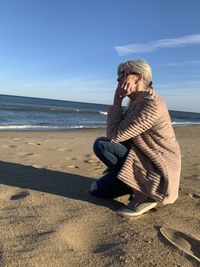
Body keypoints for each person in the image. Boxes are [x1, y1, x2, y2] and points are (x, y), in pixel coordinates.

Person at [90, 59, 181, 217]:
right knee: (96, 190)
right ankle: (132, 183)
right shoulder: (137, 101)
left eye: (123, 74)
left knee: (102, 145)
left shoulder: (151, 104)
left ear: (139, 77)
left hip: (157, 169)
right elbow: (122, 134)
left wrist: (117, 100)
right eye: (118, 76)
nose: (118, 79)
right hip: (141, 159)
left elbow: (114, 136)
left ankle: (143, 195)